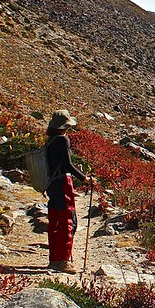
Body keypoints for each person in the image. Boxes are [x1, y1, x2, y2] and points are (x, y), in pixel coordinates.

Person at [44, 110, 89, 274]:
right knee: (68, 220)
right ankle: (62, 261)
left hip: (51, 184)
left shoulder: (50, 141)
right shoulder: (63, 140)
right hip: (63, 183)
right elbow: (68, 165)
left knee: (55, 220)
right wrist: (85, 178)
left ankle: (54, 258)